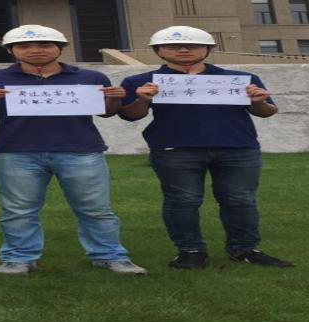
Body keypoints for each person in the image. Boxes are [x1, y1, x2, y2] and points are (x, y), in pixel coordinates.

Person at [0, 25, 146, 275]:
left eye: (45, 45)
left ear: (59, 49)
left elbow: (106, 112)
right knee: (18, 210)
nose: (35, 50)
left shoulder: (91, 77)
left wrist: (114, 97)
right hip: (17, 151)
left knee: (95, 208)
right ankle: (19, 258)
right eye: (24, 46)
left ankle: (110, 255)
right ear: (11, 50)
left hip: (80, 150)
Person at [118, 26, 293, 270]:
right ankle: (190, 251)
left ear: (207, 49)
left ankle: (244, 249)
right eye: (173, 46)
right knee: (183, 201)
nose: (183, 50)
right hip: (175, 148)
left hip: (237, 147)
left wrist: (259, 101)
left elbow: (267, 112)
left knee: (240, 199)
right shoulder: (139, 82)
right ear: (159, 51)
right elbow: (130, 115)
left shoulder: (240, 79)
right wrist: (142, 99)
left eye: (193, 45)